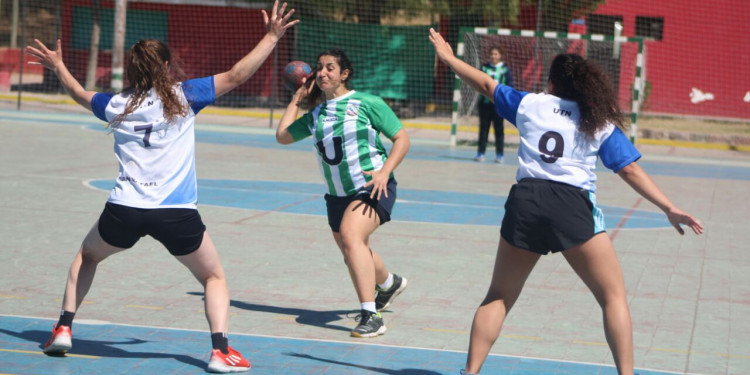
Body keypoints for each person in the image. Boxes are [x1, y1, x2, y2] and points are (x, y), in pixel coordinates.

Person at [25, 2, 298, 372]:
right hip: (175, 212)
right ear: (167, 67)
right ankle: (220, 352)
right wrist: (271, 37)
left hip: (124, 209)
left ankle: (63, 329)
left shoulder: (116, 104)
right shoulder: (186, 97)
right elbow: (236, 75)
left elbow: (79, 94)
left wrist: (58, 66)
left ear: (134, 70)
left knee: (87, 256)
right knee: (213, 277)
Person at [428, 28, 704, 375]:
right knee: (612, 297)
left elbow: (485, 85)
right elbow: (629, 170)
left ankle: (470, 372)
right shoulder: (597, 120)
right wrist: (669, 207)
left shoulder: (531, 104)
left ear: (553, 84)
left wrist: (450, 59)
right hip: (571, 206)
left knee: (498, 296)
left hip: (526, 201)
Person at [275, 48, 410, 338]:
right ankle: (388, 284)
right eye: (319, 68)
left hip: (373, 186)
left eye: (330, 68)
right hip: (336, 195)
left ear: (344, 74)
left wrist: (385, 171)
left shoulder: (366, 103)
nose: (322, 72)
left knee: (351, 236)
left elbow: (401, 138)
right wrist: (297, 99)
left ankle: (371, 315)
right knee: (353, 250)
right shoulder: (317, 114)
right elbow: (283, 136)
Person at [475, 46, 513, 163]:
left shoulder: (505, 70)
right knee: (484, 129)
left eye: (496, 54)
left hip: (498, 104)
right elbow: (478, 81)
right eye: (492, 54)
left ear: (500, 55)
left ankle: (500, 154)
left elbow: (509, 85)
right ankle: (480, 153)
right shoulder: (484, 68)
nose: (493, 56)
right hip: (485, 104)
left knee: (499, 129)